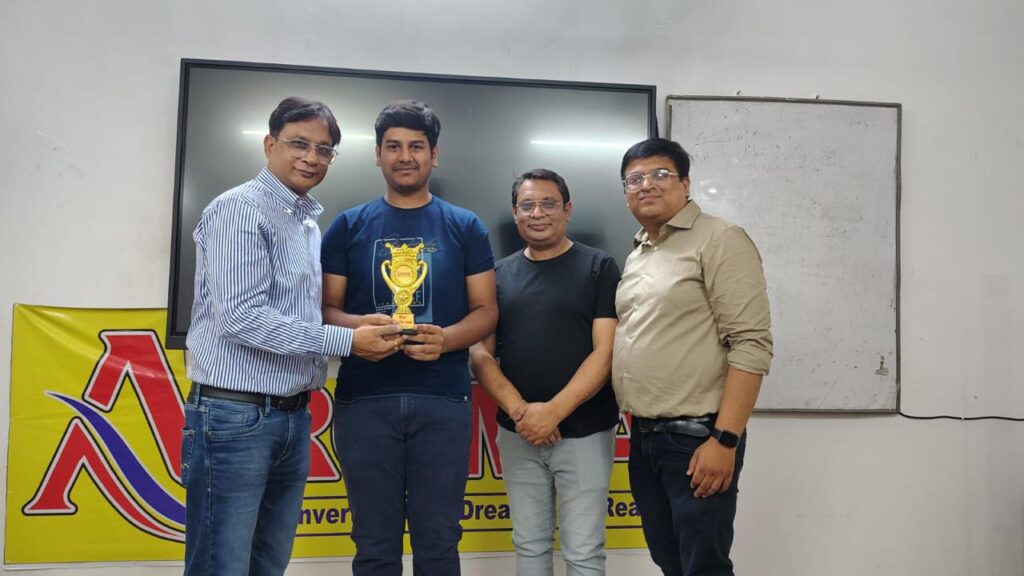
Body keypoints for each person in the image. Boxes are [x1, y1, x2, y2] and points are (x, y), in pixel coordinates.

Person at [182, 97, 403, 576]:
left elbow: (294, 314)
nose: (311, 158)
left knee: (269, 563)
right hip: (235, 415)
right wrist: (347, 343)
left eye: (324, 150)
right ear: (269, 144)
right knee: (222, 565)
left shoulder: (303, 221)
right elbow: (241, 317)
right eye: (299, 144)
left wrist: (354, 325)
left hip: (291, 416)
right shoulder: (241, 210)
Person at [321, 100, 498, 575]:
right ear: (377, 154)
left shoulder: (465, 226)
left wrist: (449, 339)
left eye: (416, 146)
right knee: (373, 545)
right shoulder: (347, 226)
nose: (405, 157)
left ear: (433, 155)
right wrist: (359, 327)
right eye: (393, 146)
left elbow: (486, 311)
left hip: (443, 399)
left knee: (438, 542)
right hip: (365, 400)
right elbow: (326, 310)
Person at [612, 138, 773, 576]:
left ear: (685, 183)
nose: (647, 185)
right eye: (634, 178)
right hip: (644, 438)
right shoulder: (639, 252)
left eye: (660, 174)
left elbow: (751, 343)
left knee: (703, 567)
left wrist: (725, 440)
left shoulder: (720, 239)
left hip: (698, 439)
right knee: (670, 561)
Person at [469, 168, 621, 576]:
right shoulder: (497, 276)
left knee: (584, 552)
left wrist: (553, 412)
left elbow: (605, 352)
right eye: (527, 205)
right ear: (515, 213)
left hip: (585, 432)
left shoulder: (600, 268)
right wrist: (523, 413)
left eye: (548, 204)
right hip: (517, 433)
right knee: (529, 546)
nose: (537, 213)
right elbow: (480, 354)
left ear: (567, 209)